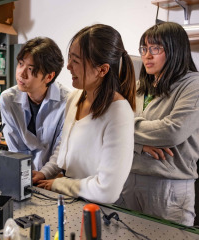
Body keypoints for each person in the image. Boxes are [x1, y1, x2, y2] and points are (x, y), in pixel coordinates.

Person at [32, 24, 136, 203]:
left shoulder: (119, 112)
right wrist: (43, 173)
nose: (69, 67)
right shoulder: (75, 97)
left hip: (95, 207)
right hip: (68, 198)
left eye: (76, 61)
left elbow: (107, 190)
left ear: (102, 70)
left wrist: (59, 184)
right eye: (70, 58)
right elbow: (64, 150)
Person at [116, 22, 199, 226]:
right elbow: (110, 129)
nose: (147, 55)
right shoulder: (138, 88)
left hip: (168, 187)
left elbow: (172, 131)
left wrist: (125, 129)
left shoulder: (193, 85)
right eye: (144, 48)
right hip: (128, 181)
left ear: (175, 50)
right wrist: (140, 145)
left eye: (155, 49)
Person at [0, 37, 70, 170]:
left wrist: (44, 174)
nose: (22, 73)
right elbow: (15, 148)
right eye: (20, 64)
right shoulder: (8, 99)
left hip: (54, 177)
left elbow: (62, 150)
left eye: (31, 69)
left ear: (49, 76)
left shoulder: (67, 102)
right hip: (22, 173)